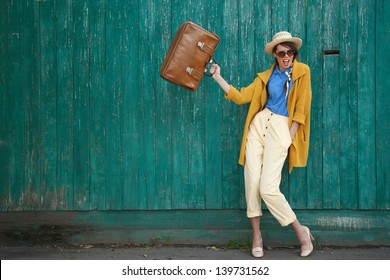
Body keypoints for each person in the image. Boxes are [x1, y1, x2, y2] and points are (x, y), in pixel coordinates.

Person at [210, 31, 314, 258]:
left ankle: (301, 232)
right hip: (259, 126)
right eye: (282, 52)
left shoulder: (302, 72)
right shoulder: (266, 77)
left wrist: (289, 136)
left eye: (290, 52)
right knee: (252, 182)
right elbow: (240, 96)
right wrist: (218, 77)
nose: (287, 56)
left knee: (268, 188)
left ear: (295, 53)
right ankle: (257, 236)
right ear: (275, 55)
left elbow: (302, 109)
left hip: (281, 130)